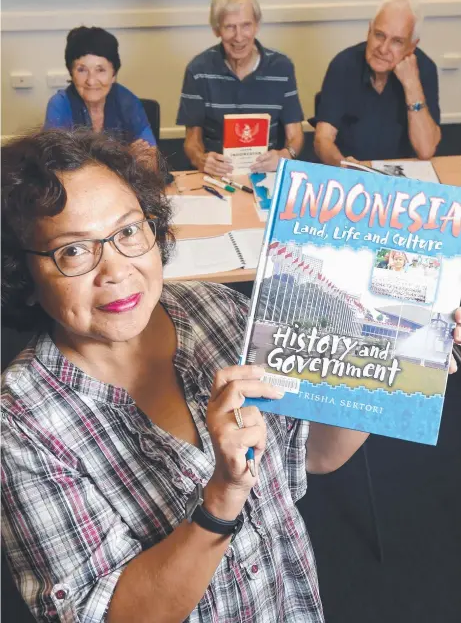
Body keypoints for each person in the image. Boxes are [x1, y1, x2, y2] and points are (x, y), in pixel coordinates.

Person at [2, 130, 460, 623]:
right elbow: (103, 615)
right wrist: (221, 497)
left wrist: (403, 357)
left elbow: (316, 455)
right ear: (22, 276)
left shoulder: (218, 310)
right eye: (73, 251)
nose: (115, 270)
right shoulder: (21, 424)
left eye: (129, 231)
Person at [177, 0, 304, 176]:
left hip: (267, 173)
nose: (239, 37)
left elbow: (295, 135)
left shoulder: (282, 67)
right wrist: (201, 160)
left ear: (257, 25)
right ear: (216, 30)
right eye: (230, 27)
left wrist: (285, 155)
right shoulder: (198, 70)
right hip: (217, 176)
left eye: (246, 25)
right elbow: (192, 140)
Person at [312, 0, 441, 166]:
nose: (383, 48)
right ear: (369, 30)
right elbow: (323, 139)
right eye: (379, 35)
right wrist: (345, 167)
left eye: (397, 41)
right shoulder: (344, 64)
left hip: (402, 175)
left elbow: (425, 150)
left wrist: (412, 86)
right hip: (350, 170)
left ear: (412, 46)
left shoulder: (424, 69)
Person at [44, 26, 157, 168]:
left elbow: (150, 161)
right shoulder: (59, 105)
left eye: (100, 70)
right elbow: (55, 166)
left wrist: (141, 158)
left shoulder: (128, 102)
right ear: (71, 73)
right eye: (82, 70)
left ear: (113, 74)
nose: (91, 80)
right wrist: (127, 157)